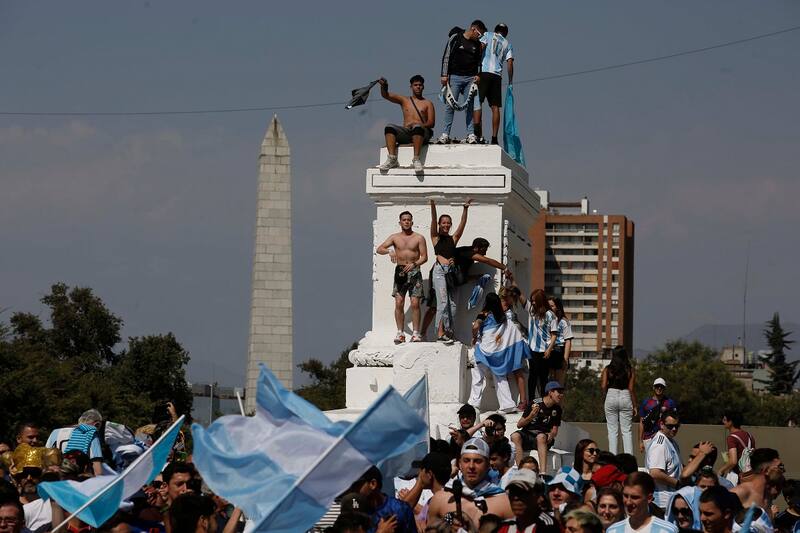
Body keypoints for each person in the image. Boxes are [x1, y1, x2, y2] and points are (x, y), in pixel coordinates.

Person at [427, 438, 513, 527]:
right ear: (459, 463)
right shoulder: (440, 498)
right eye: (466, 460)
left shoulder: (503, 502)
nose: (471, 466)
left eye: (478, 461)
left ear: (488, 465)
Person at [470, 293, 531, 413]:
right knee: (500, 376)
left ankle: (473, 403)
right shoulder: (502, 317)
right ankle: (507, 404)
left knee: (478, 375)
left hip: (483, 351)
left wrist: (474, 336)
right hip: (498, 353)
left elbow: (476, 326)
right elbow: (512, 331)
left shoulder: (484, 313)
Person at [375, 210, 429, 343]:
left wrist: (414, 264)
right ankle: (400, 332)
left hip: (414, 272)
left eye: (408, 220)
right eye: (404, 220)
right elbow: (379, 249)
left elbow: (424, 257)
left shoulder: (419, 237)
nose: (406, 222)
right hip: (400, 272)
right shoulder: (394, 237)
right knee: (399, 302)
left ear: (412, 222)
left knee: (415, 303)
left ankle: (416, 333)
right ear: (400, 222)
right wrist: (389, 251)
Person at [424, 198, 471, 343]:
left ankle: (449, 332)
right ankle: (440, 333)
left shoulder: (453, 238)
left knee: (453, 305)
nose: (446, 225)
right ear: (439, 224)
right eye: (443, 222)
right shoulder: (435, 237)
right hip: (439, 272)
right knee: (442, 303)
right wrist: (433, 205)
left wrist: (465, 208)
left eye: (448, 223)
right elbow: (433, 221)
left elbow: (462, 225)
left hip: (451, 272)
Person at [438, 21, 485, 144]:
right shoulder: (456, 38)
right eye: (480, 34)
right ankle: (445, 134)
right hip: (455, 77)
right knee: (450, 105)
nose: (480, 37)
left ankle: (470, 134)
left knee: (469, 107)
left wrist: (478, 75)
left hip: (470, 78)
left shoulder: (478, 45)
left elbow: (479, 63)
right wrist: (444, 75)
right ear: (473, 29)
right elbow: (446, 56)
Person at [377, 75, 435, 173]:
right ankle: (392, 158)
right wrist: (384, 86)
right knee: (389, 127)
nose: (418, 87)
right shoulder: (405, 100)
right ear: (411, 87)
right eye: (415, 85)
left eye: (420, 85)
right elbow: (386, 95)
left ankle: (416, 159)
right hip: (407, 133)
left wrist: (419, 124)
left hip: (421, 133)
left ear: (423, 87)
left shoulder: (428, 103)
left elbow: (431, 123)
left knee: (417, 127)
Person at [472, 23, 514, 145]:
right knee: (495, 107)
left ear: (496, 30)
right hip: (497, 76)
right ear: (505, 33)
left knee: (478, 103)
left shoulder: (487, 35)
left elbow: (481, 47)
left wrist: (474, 63)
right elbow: (510, 63)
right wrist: (510, 81)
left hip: (484, 73)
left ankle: (477, 134)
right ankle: (494, 138)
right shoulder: (507, 44)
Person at [511, 381, 564, 474]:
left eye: (562, 392)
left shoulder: (557, 409)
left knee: (541, 437)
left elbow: (555, 430)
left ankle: (543, 473)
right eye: (558, 392)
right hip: (528, 435)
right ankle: (520, 471)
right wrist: (530, 416)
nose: (561, 395)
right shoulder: (535, 403)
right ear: (550, 392)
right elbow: (519, 425)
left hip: (543, 438)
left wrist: (551, 435)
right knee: (515, 436)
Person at [349, 466, 417, 533]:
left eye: (357, 486)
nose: (353, 490)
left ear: (373, 484)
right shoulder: (355, 515)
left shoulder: (399, 508)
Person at [517, 288, 557, 401]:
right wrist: (512, 281)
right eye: (532, 300)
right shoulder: (531, 310)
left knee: (543, 378)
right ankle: (531, 402)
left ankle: (544, 402)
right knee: (532, 377)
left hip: (545, 351)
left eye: (535, 300)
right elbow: (521, 297)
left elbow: (554, 335)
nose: (533, 302)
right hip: (532, 350)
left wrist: (549, 349)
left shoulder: (550, 315)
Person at [607, 472, 678, 533]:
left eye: (634, 497)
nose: (628, 502)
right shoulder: (613, 530)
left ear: (649, 498)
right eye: (625, 496)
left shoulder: (667, 530)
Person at [45, 408, 105, 476]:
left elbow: (45, 458)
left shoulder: (55, 432)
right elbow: (97, 470)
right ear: (97, 424)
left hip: (57, 479)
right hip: (79, 480)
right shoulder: (92, 434)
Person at [730, 448, 784, 522]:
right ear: (766, 470)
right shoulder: (739, 493)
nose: (783, 471)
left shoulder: (768, 495)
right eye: (779, 467)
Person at [497, 469, 558, 533]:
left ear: (537, 496)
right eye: (512, 492)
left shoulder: (547, 526)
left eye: (521, 492)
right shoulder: (504, 527)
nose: (515, 498)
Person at [601, 346, 637, 455]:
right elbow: (631, 389)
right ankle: (629, 460)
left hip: (611, 394)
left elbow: (603, 385)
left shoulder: (608, 369)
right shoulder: (630, 370)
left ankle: (613, 460)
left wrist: (606, 395)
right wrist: (635, 405)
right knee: (627, 432)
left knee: (612, 431)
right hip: (625, 396)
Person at [646, 411, 683, 511]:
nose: (674, 429)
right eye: (670, 426)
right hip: (662, 504)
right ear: (661, 424)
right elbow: (655, 473)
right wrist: (678, 484)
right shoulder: (660, 445)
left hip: (671, 500)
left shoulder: (671, 441)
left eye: (677, 426)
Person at [639, 379, 677, 453]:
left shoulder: (670, 403)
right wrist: (640, 441)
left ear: (664, 388)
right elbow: (641, 422)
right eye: (657, 386)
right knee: (650, 461)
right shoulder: (646, 402)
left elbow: (675, 421)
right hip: (648, 437)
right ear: (653, 387)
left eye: (661, 386)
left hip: (664, 437)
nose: (659, 388)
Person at [718, 411, 755, 480]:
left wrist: (721, 471)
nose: (723, 422)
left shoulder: (731, 438)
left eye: (725, 420)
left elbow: (733, 461)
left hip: (738, 475)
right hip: (751, 474)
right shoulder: (749, 435)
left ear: (731, 422)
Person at [548, 297, 573, 385]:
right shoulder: (546, 319)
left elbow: (568, 341)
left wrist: (565, 359)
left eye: (552, 306)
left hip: (559, 351)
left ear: (557, 307)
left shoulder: (564, 321)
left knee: (558, 384)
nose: (549, 308)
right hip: (548, 351)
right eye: (548, 306)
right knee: (548, 382)